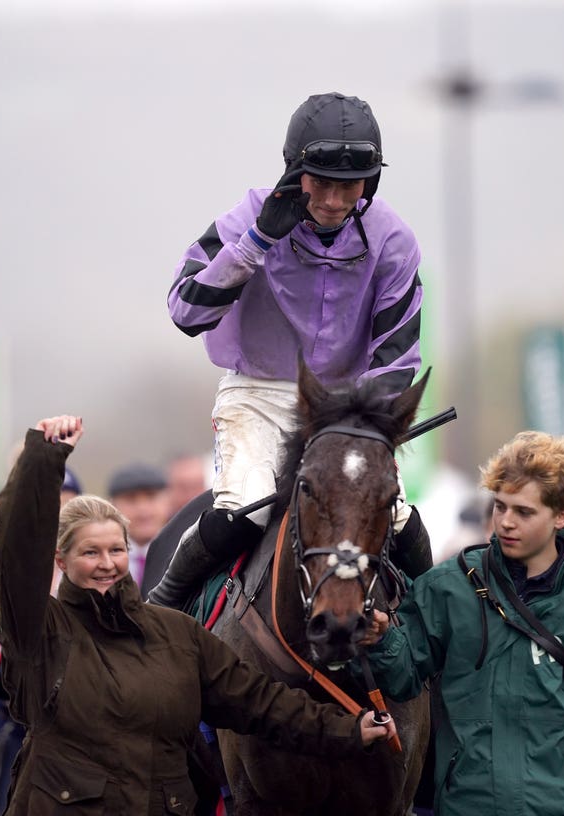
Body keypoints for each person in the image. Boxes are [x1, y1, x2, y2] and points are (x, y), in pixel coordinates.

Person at [0, 414, 395, 815]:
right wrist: (42, 463)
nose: (106, 564)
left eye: (115, 550)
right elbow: (15, 558)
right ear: (61, 559)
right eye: (90, 552)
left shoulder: (175, 633)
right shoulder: (39, 633)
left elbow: (260, 702)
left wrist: (350, 729)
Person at [153, 90, 430, 610]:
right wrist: (255, 244)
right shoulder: (248, 215)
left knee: (393, 515)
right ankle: (161, 612)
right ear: (294, 171)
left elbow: (395, 358)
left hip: (346, 406)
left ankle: (436, 636)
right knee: (245, 511)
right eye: (320, 183)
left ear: (368, 182)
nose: (331, 200)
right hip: (256, 393)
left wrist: (364, 424)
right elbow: (185, 311)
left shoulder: (394, 239)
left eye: (348, 186)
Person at [358, 431, 564, 816]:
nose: (506, 522)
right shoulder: (446, 588)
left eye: (524, 511)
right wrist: (383, 640)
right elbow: (402, 679)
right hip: (466, 804)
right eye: (500, 506)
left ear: (563, 513)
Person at [107, 462, 171, 594]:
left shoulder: (186, 555)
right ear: (112, 506)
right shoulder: (102, 562)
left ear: (168, 501)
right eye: (131, 500)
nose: (143, 509)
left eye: (151, 497)